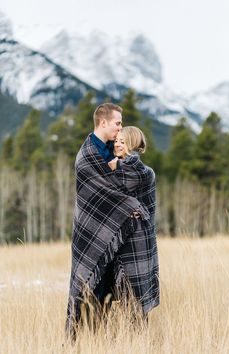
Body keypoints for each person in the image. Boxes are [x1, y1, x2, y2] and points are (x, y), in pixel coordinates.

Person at [65, 103, 151, 340]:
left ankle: (118, 341)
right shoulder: (86, 156)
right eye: (117, 123)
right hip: (93, 235)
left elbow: (129, 179)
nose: (120, 128)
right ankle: (86, 342)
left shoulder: (114, 150)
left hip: (118, 237)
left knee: (119, 293)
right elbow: (104, 192)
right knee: (91, 291)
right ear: (103, 123)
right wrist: (130, 206)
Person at [108, 126, 159, 318]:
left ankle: (137, 342)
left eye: (123, 141)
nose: (118, 144)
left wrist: (115, 168)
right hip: (119, 237)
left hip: (137, 239)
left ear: (133, 144)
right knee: (121, 292)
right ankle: (123, 339)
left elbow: (123, 186)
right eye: (116, 141)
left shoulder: (143, 172)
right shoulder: (117, 166)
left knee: (135, 294)